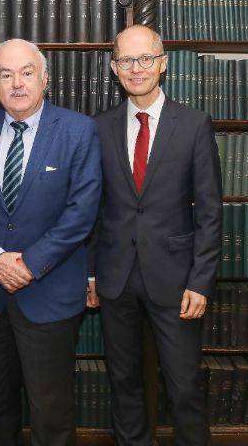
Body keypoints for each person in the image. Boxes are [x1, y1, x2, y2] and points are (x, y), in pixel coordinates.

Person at [0, 38, 102, 446]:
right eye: (6, 74)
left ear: (45, 78)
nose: (17, 83)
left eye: (26, 72)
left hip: (49, 293)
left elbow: (81, 213)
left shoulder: (78, 130)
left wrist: (29, 264)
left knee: (50, 411)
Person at [87, 24, 222, 446]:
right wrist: (91, 274)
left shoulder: (194, 124)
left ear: (163, 64)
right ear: (114, 68)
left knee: (184, 386)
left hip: (177, 280)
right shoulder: (100, 127)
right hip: (116, 277)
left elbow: (211, 211)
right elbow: (94, 209)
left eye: (146, 58)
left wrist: (201, 281)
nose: (136, 68)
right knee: (124, 383)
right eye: (126, 60)